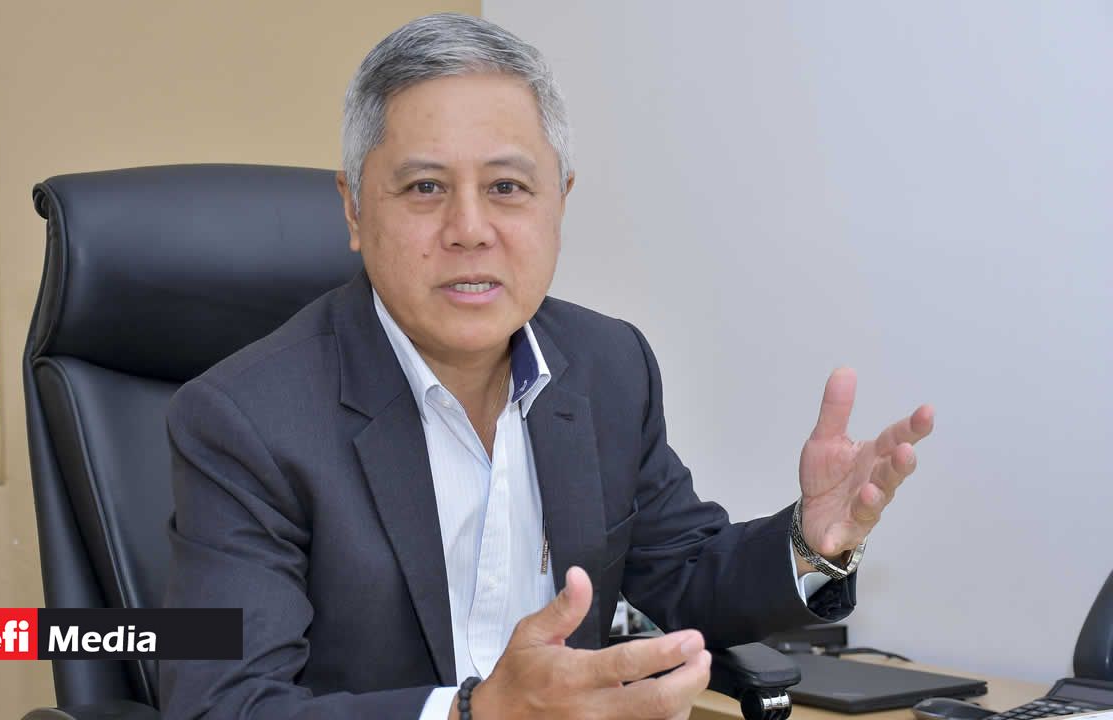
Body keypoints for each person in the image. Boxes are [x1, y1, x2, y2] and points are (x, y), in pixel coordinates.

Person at [160, 13, 934, 720]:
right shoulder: (242, 421)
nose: (470, 229)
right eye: (425, 187)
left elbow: (681, 578)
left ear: (559, 200)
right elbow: (220, 706)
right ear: (355, 208)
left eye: (507, 187)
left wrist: (810, 544)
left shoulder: (607, 366)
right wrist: (473, 714)